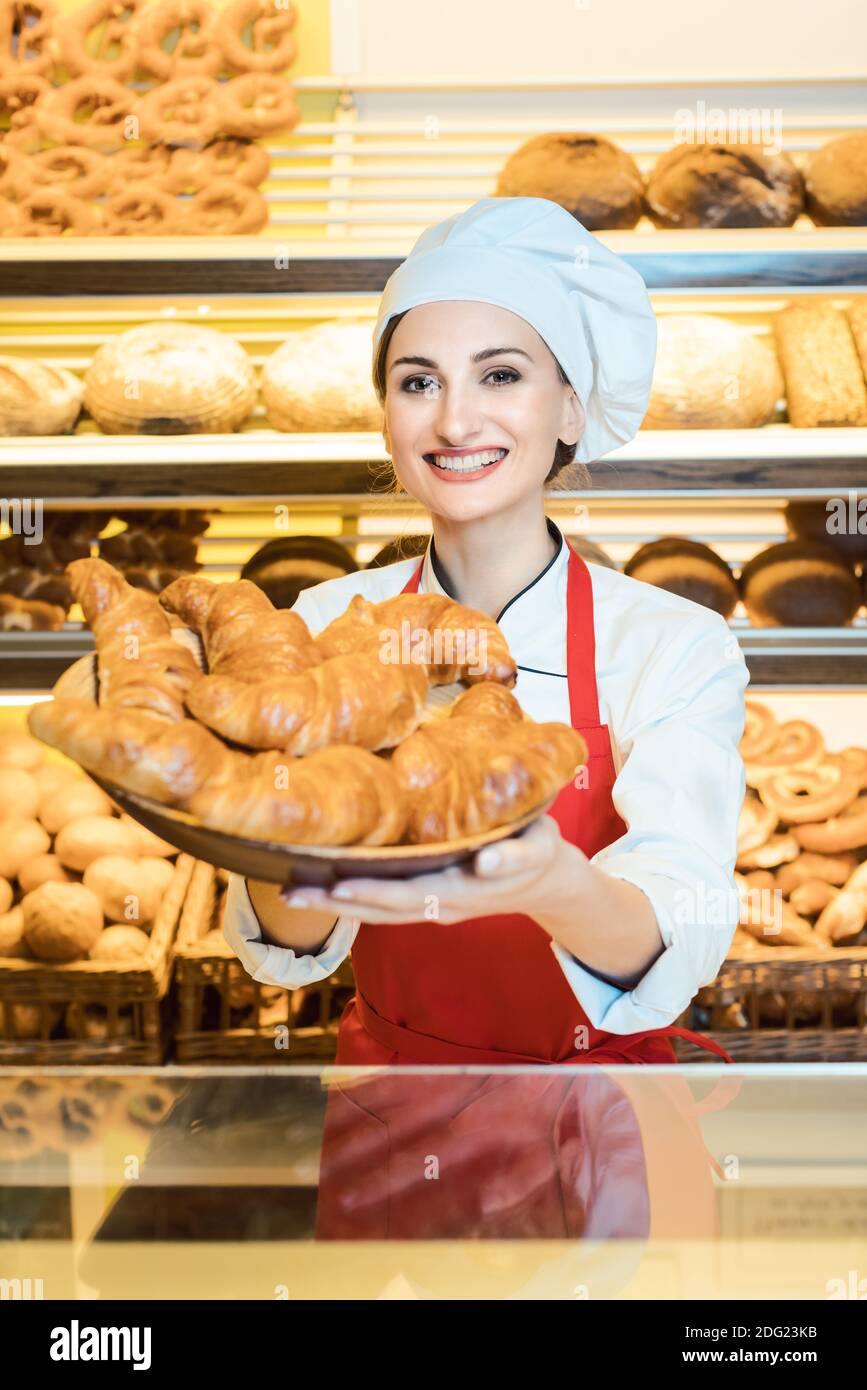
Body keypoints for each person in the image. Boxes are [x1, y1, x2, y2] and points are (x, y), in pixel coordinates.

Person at [223, 196, 749, 1074]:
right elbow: (288, 944)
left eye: (499, 376)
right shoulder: (323, 626)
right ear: (386, 416)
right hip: (394, 1104)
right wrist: (278, 832)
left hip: (604, 1128)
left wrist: (553, 884)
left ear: (571, 411)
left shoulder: (670, 642)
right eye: (417, 381)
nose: (455, 422)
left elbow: (680, 926)